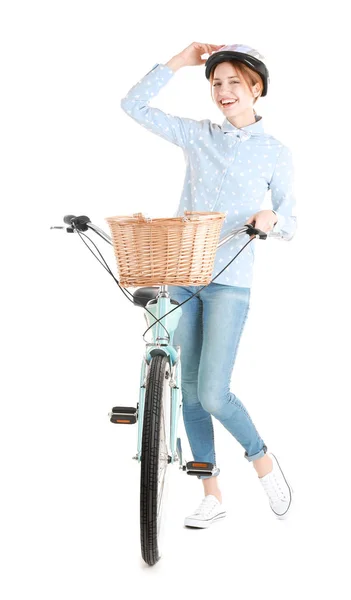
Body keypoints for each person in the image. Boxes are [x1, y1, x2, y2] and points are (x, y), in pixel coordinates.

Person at [120, 42, 297, 528]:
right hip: (181, 275)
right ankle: (211, 492)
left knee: (215, 393)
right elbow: (132, 106)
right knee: (190, 392)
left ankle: (261, 460)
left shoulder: (274, 153)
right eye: (216, 83)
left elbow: (291, 221)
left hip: (230, 284)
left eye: (234, 82)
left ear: (255, 88)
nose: (223, 91)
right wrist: (177, 62)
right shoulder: (198, 136)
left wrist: (271, 217)